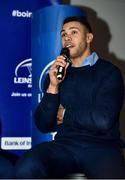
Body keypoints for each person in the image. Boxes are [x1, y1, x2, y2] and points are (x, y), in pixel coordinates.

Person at [15, 16, 125, 179]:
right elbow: (44, 124)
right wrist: (53, 86)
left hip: (102, 147)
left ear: (89, 38)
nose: (67, 38)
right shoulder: (55, 76)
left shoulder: (109, 72)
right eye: (63, 34)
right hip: (64, 145)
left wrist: (65, 114)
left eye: (74, 32)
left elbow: (102, 120)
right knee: (27, 166)